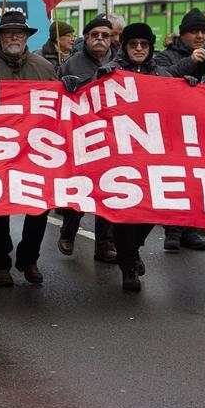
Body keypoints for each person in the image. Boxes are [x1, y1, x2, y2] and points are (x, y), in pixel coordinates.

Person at [0, 10, 56, 287]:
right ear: (0, 37)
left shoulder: (44, 68)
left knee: (39, 206)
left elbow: (57, 110)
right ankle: (0, 263)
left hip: (36, 150)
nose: (14, 37)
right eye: (8, 33)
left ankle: (29, 259)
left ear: (27, 37)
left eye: (19, 33)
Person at [154, 8, 205, 251]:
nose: (200, 36)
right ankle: (173, 230)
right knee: (178, 179)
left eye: (204, 31)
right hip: (176, 128)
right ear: (182, 34)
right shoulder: (166, 55)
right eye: (194, 32)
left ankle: (190, 229)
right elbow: (162, 79)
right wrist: (190, 62)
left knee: (199, 180)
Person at [95, 23, 172, 291]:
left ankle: (132, 250)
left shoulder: (163, 75)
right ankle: (128, 267)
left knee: (152, 209)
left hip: (153, 154)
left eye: (144, 44)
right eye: (133, 44)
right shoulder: (108, 73)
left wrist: (191, 84)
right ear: (124, 47)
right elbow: (88, 102)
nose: (139, 48)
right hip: (120, 155)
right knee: (126, 213)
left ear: (151, 47)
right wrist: (86, 81)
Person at [56, 16, 119, 263]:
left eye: (105, 35)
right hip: (81, 137)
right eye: (95, 35)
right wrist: (63, 85)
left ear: (111, 38)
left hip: (113, 137)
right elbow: (54, 97)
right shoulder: (71, 65)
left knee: (109, 191)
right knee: (82, 188)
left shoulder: (121, 62)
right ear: (86, 38)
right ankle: (68, 231)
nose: (100, 39)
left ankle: (105, 245)